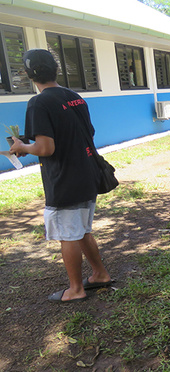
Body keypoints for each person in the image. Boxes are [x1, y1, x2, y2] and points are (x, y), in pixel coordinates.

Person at [9, 49, 112, 303]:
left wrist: (21, 147)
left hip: (65, 179)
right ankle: (99, 274)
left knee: (69, 234)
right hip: (88, 174)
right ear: (56, 69)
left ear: (27, 74)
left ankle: (75, 289)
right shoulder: (74, 97)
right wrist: (29, 145)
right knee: (81, 230)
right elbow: (85, 133)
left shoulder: (39, 102)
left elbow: (46, 148)